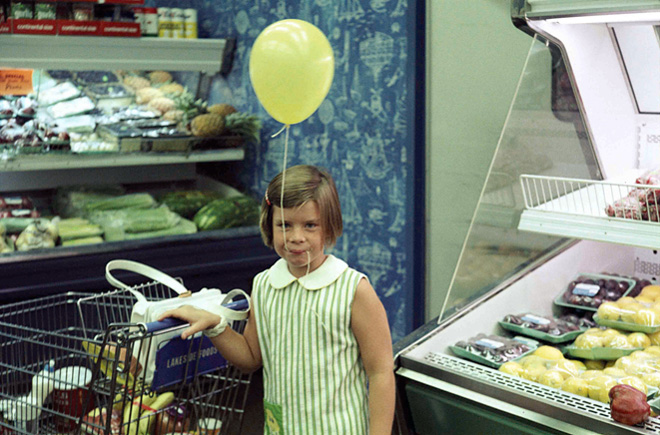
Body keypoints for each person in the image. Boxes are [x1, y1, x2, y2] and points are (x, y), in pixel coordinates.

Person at [159, 165, 395, 434]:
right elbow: (250, 357)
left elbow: (380, 373)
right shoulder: (264, 284)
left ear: (329, 226)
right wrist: (215, 324)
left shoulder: (353, 289)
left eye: (310, 225)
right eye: (284, 225)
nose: (296, 237)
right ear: (268, 226)